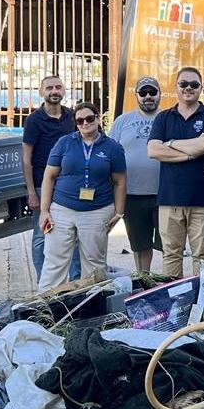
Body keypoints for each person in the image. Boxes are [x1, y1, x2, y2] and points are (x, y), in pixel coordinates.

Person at [37, 102, 127, 290]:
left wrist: (119, 213)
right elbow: (49, 176)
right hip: (62, 209)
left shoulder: (112, 147)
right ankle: (46, 305)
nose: (85, 123)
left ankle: (91, 305)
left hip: (97, 210)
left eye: (89, 118)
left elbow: (120, 181)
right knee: (55, 260)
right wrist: (44, 211)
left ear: (97, 118)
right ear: (75, 123)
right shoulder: (65, 143)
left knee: (94, 264)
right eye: (80, 120)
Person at [148, 67, 204, 281]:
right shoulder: (163, 117)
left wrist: (169, 145)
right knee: (171, 254)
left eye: (194, 85)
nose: (188, 88)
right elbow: (153, 150)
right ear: (176, 87)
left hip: (202, 200)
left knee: (202, 256)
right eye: (183, 84)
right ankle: (174, 303)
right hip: (169, 199)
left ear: (200, 89)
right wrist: (191, 152)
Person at [21, 75, 81, 281]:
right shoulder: (34, 121)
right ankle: (42, 282)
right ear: (41, 92)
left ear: (63, 90)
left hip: (69, 186)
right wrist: (31, 192)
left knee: (73, 233)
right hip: (40, 185)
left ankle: (75, 281)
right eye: (49, 88)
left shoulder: (72, 117)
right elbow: (26, 158)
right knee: (42, 234)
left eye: (58, 87)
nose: (54, 91)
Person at [108, 76, 162, 272]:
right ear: (137, 96)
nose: (148, 96)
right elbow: (110, 153)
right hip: (132, 194)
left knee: (170, 244)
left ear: (159, 94)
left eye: (152, 92)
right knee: (140, 244)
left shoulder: (167, 118)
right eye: (143, 92)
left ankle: (171, 280)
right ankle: (144, 279)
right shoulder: (123, 121)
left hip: (164, 193)